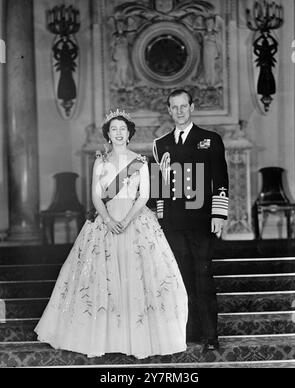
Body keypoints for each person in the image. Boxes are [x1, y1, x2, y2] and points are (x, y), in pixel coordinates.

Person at [34, 109, 188, 359]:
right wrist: (107, 219)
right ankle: (104, 337)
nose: (118, 133)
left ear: (129, 134)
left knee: (135, 278)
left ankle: (135, 338)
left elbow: (145, 195)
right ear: (108, 134)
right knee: (102, 279)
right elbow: (96, 195)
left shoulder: (139, 161)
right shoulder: (101, 161)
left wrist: (126, 220)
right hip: (105, 221)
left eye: (122, 129)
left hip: (135, 219)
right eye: (113, 129)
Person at [153, 89, 229, 351]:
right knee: (180, 278)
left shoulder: (209, 139)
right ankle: (188, 331)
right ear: (169, 110)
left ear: (192, 107)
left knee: (203, 276)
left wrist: (218, 214)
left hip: (202, 220)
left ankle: (210, 335)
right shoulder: (160, 143)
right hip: (173, 223)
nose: (180, 111)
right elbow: (160, 186)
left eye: (184, 106)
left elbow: (220, 180)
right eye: (174, 107)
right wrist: (159, 218)